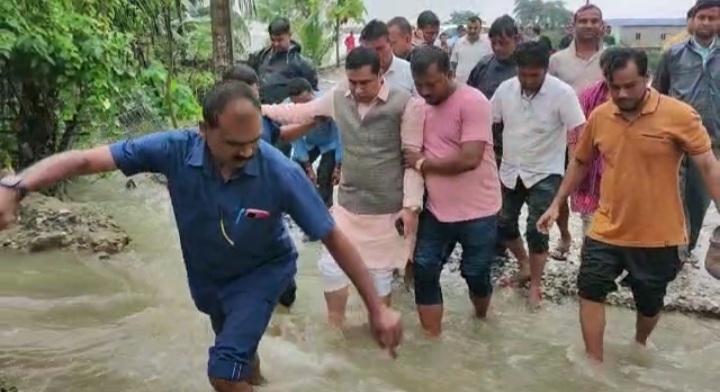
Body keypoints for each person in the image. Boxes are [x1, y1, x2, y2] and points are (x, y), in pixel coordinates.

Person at [0, 81, 403, 392]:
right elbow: (89, 159)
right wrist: (16, 187)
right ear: (203, 130)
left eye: (253, 143)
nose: (247, 153)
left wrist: (376, 308)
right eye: (234, 144)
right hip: (210, 277)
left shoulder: (281, 173)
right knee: (239, 360)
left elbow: (333, 237)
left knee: (222, 374)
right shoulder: (174, 150)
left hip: (264, 272)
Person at [537, 47, 720, 362]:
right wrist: (556, 203)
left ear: (647, 78)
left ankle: (640, 341)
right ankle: (594, 363)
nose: (621, 93)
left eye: (630, 85)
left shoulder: (680, 115)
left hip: (659, 232)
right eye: (614, 86)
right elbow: (580, 162)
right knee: (590, 288)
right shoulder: (600, 116)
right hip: (607, 225)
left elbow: (708, 166)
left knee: (649, 302)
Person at [261, 47, 425, 327]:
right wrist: (257, 109)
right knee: (330, 266)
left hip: (387, 209)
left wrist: (411, 208)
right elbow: (300, 111)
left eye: (365, 82)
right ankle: (335, 333)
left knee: (379, 277)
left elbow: (412, 161)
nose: (358, 89)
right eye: (353, 82)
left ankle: (377, 338)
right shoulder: (339, 97)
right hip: (348, 205)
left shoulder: (407, 104)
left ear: (380, 76)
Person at [403, 47, 501, 336]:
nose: (424, 91)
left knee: (475, 273)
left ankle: (482, 321)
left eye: (431, 84)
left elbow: (469, 158)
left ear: (449, 73)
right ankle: (432, 343)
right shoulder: (418, 107)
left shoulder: (473, 102)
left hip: (479, 210)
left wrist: (422, 163)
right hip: (437, 209)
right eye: (418, 84)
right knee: (424, 267)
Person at [491, 42, 585, 306]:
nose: (528, 80)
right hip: (510, 169)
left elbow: (578, 131)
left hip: (546, 171)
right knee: (503, 224)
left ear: (546, 69)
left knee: (537, 229)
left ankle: (535, 283)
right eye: (524, 74)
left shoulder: (562, 93)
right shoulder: (505, 90)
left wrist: (575, 169)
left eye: (535, 75)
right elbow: (489, 119)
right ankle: (524, 265)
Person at [653, 0, 720, 267]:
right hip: (675, 139)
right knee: (672, 198)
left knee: (698, 200)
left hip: (713, 141)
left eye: (713, 18)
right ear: (693, 19)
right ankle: (673, 255)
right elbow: (659, 91)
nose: (707, 23)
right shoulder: (673, 54)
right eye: (702, 17)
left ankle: (687, 247)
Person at [548, 3, 605, 261]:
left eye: (595, 21)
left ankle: (592, 248)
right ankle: (564, 235)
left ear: (602, 26)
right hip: (563, 138)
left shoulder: (611, 59)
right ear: (574, 25)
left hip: (604, 138)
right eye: (584, 21)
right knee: (560, 189)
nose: (590, 26)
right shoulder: (557, 61)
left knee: (599, 194)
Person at [467, 14, 520, 260]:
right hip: (485, 143)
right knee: (482, 195)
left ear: (515, 40)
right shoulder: (484, 66)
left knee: (508, 201)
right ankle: (485, 243)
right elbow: (468, 97)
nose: (498, 48)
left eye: (504, 42)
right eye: (494, 43)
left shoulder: (525, 68)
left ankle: (503, 245)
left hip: (514, 146)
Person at [247, 17, 319, 158]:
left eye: (280, 40)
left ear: (289, 36)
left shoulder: (302, 63)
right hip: (261, 114)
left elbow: (312, 93)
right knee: (259, 153)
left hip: (284, 119)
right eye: (273, 40)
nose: (276, 44)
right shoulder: (263, 55)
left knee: (278, 157)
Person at [569, 50, 613, 236]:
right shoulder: (589, 96)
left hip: (628, 175)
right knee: (591, 225)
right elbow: (575, 132)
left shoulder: (646, 100)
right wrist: (575, 165)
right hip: (593, 175)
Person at [287, 78, 342, 209]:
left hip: (331, 142)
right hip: (310, 142)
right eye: (299, 105)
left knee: (325, 173)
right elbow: (297, 140)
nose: (306, 108)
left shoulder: (327, 104)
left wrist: (338, 166)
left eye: (307, 102)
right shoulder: (290, 111)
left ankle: (324, 205)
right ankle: (300, 200)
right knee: (295, 169)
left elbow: (341, 135)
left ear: (312, 92)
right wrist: (308, 168)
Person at [360, 19, 417, 95]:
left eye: (379, 49)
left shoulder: (410, 72)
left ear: (391, 44)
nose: (374, 54)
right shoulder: (356, 76)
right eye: (369, 50)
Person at [450, 16, 492, 84]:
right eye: (470, 28)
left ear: (480, 29)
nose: (472, 31)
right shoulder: (459, 43)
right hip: (461, 83)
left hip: (480, 84)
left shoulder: (487, 44)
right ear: (466, 28)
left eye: (475, 28)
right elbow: (453, 63)